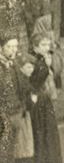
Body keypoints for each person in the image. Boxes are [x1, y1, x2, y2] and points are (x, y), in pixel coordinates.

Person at [28, 32, 61, 163]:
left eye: (48, 44)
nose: (46, 47)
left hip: (46, 100)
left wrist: (49, 64)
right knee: (41, 134)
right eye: (43, 44)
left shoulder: (46, 59)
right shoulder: (32, 61)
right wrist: (45, 67)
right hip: (38, 101)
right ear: (35, 47)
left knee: (49, 134)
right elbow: (33, 83)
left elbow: (56, 75)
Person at [0, 31, 33, 162]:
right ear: (1, 48)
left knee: (12, 153)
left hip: (16, 114)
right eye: (10, 47)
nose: (14, 50)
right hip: (4, 117)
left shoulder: (15, 64)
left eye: (15, 46)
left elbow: (23, 88)